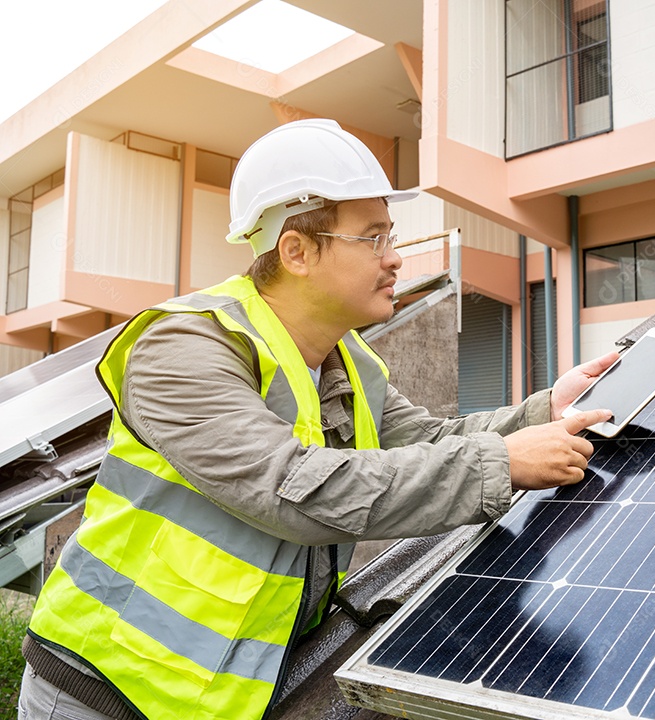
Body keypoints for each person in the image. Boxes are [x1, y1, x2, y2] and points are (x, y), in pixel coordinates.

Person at [19, 119, 615, 720]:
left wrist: (545, 412)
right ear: (297, 251)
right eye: (374, 238)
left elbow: (429, 440)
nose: (395, 260)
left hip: (217, 699)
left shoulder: (347, 358)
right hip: (101, 689)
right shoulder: (183, 348)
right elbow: (292, 490)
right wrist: (503, 463)